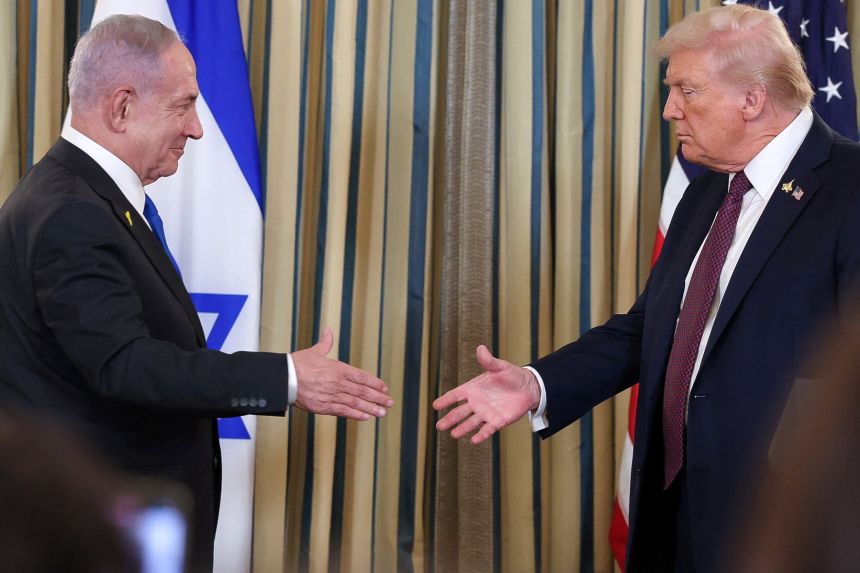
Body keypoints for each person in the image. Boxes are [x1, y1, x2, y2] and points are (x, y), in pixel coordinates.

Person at [434, 5, 860, 573]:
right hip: (670, 509)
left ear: (752, 99)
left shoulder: (850, 189)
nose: (669, 110)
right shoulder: (707, 191)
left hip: (781, 525)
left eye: (687, 90)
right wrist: (538, 384)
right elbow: (652, 328)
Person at [0, 14, 393, 571]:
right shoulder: (72, 214)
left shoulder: (87, 198)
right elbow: (126, 366)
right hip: (92, 530)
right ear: (122, 107)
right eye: (182, 106)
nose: (197, 129)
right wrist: (285, 377)